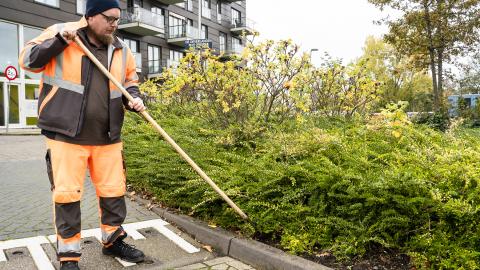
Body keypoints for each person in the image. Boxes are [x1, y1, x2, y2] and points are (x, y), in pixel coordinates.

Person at [19, 0, 146, 269]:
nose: (114, 23)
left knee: (113, 192)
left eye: (118, 19)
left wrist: (133, 99)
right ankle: (68, 256)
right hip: (66, 136)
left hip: (108, 136)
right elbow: (27, 60)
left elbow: (130, 80)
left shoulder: (121, 48)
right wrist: (58, 42)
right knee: (67, 196)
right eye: (109, 18)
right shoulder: (63, 32)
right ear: (90, 16)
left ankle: (113, 241)